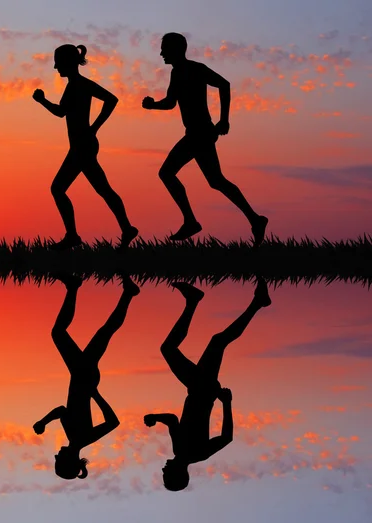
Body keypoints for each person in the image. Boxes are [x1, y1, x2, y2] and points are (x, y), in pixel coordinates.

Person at [144, 278, 272, 491]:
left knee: (216, 341)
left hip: (200, 389)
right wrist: (226, 403)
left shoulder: (184, 451)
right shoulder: (192, 453)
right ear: (178, 474)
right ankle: (200, 301)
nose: (163, 471)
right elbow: (226, 438)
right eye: (166, 476)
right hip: (202, 389)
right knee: (175, 348)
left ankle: (252, 303)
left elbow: (173, 420)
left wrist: (156, 418)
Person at [142, 32, 268, 247]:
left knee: (167, 173)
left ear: (177, 49)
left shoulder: (196, 69)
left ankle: (191, 221)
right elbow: (171, 102)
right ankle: (255, 220)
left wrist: (224, 120)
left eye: (165, 48)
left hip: (201, 133)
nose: (161, 53)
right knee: (216, 180)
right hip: (194, 133)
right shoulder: (175, 73)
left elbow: (224, 84)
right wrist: (153, 105)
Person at [33, 274, 140, 479]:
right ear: (68, 461)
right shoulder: (82, 439)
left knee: (99, 333)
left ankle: (117, 292)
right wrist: (95, 394)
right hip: (85, 377)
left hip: (81, 376)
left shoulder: (74, 437)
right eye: (58, 460)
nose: (55, 455)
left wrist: (44, 421)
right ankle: (118, 292)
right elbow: (112, 422)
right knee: (63, 333)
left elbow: (62, 410)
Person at [32, 44, 139, 250]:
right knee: (103, 189)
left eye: (57, 62)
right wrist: (94, 128)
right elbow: (110, 99)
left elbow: (61, 112)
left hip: (82, 146)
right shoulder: (80, 84)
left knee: (58, 188)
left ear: (67, 62)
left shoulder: (76, 85)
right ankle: (126, 228)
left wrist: (42, 101)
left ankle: (73, 236)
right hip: (84, 144)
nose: (55, 67)